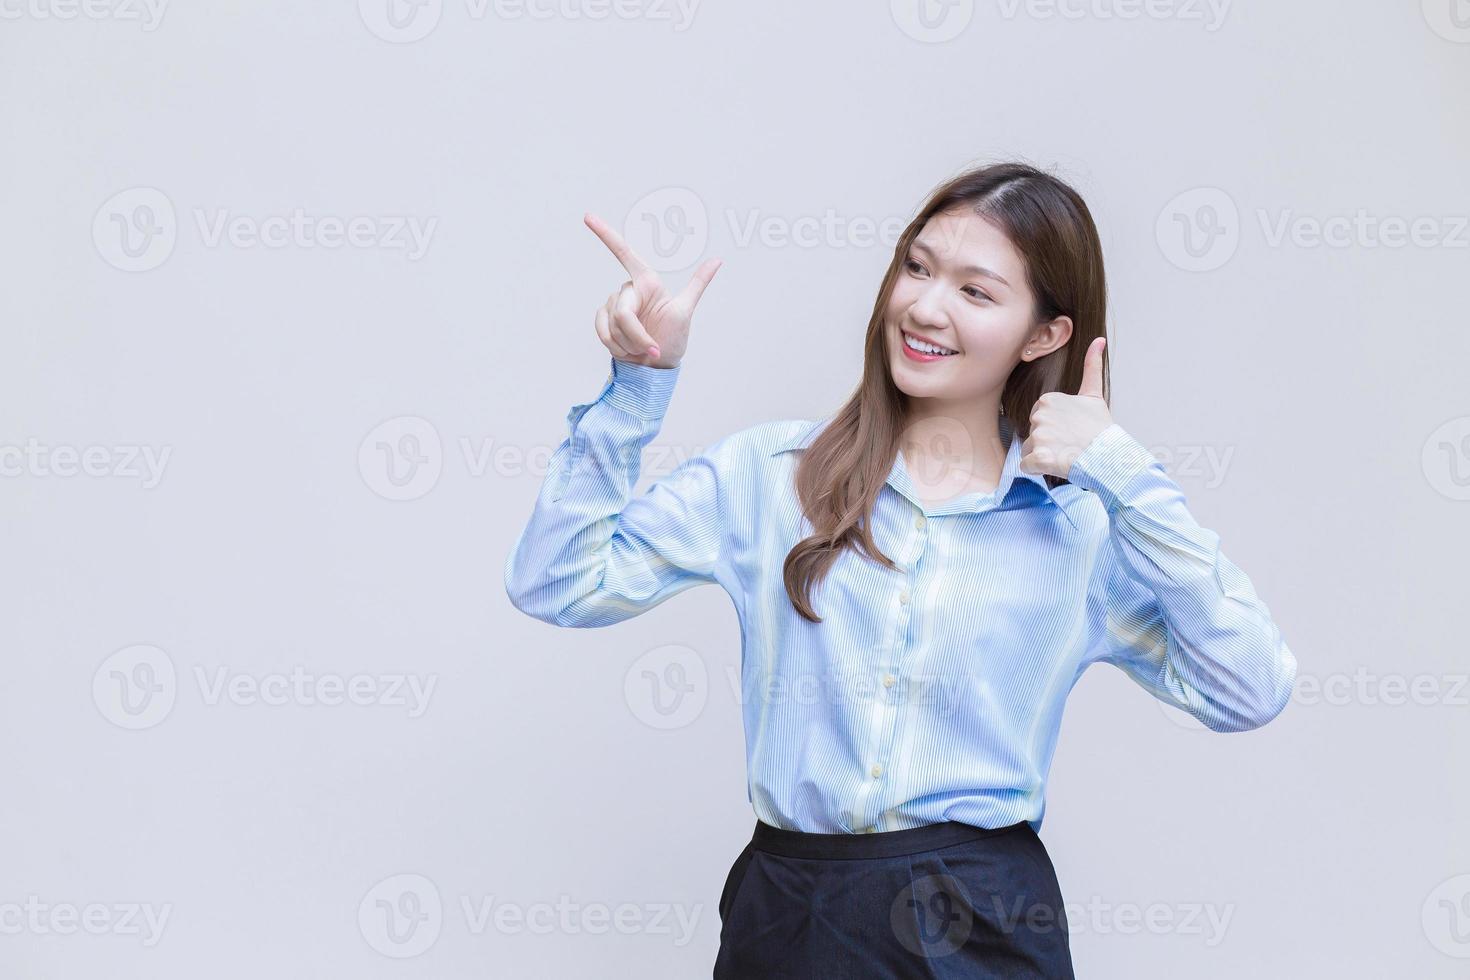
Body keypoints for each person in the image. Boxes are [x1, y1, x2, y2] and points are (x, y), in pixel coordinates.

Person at [503, 161, 1297, 978]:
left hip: (984, 924)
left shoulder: (1080, 529)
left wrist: (1126, 474)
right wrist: (638, 389)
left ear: (1044, 336)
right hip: (792, 917)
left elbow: (1248, 687)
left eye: (975, 293)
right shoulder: (770, 478)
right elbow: (556, 581)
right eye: (917, 268)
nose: (923, 307)